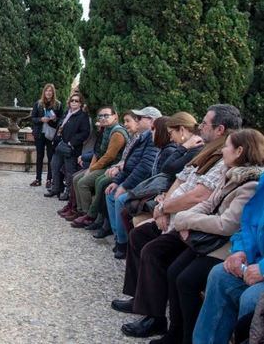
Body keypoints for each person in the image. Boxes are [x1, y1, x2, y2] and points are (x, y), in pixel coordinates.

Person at [112, 104, 242, 339]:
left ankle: (155, 317)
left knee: (154, 251)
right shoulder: (207, 149)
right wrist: (163, 208)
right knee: (139, 235)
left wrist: (168, 209)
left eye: (204, 123)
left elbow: (200, 196)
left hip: (190, 222)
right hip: (174, 213)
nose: (200, 126)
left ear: (220, 129)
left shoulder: (223, 156)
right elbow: (181, 179)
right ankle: (140, 300)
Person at [158, 129, 264, 344]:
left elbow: (227, 225)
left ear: (240, 151)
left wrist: (184, 220)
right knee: (181, 271)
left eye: (227, 146)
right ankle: (183, 334)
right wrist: (184, 218)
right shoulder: (233, 174)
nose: (222, 150)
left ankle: (183, 336)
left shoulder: (250, 184)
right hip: (226, 245)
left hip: (221, 243)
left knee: (190, 281)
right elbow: (246, 225)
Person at [194, 171, 264, 344]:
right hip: (256, 262)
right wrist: (241, 251)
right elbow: (247, 225)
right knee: (221, 276)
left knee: (251, 299)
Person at [104, 106, 161, 258]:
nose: (138, 120)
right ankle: (117, 236)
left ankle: (123, 243)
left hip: (145, 183)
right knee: (110, 192)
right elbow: (129, 164)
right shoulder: (142, 137)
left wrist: (125, 186)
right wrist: (117, 182)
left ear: (152, 121)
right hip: (136, 179)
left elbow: (144, 168)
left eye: (141, 118)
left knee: (121, 198)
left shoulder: (153, 138)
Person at [70, 106, 128, 228]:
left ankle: (88, 215)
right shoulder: (106, 130)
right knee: (75, 178)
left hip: (111, 167)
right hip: (103, 165)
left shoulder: (117, 133)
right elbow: (98, 153)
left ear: (115, 116)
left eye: (106, 115)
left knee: (83, 182)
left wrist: (92, 169)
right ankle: (80, 211)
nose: (103, 118)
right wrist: (90, 168)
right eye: (100, 116)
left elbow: (109, 156)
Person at [45, 92, 91, 200]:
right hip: (60, 145)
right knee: (54, 166)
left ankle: (68, 193)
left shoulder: (82, 116)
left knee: (69, 171)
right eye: (72, 100)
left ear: (80, 103)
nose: (74, 102)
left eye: (76, 101)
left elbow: (85, 133)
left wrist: (71, 142)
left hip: (71, 148)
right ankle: (56, 188)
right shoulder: (67, 113)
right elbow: (59, 126)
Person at [29, 83, 62, 188]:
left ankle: (49, 179)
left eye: (50, 91)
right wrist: (41, 119)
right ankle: (38, 179)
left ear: (53, 93)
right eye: (47, 90)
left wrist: (55, 119)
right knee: (39, 156)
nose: (48, 92)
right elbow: (33, 118)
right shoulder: (38, 104)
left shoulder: (58, 104)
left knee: (50, 157)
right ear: (44, 92)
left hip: (51, 134)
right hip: (40, 133)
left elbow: (61, 120)